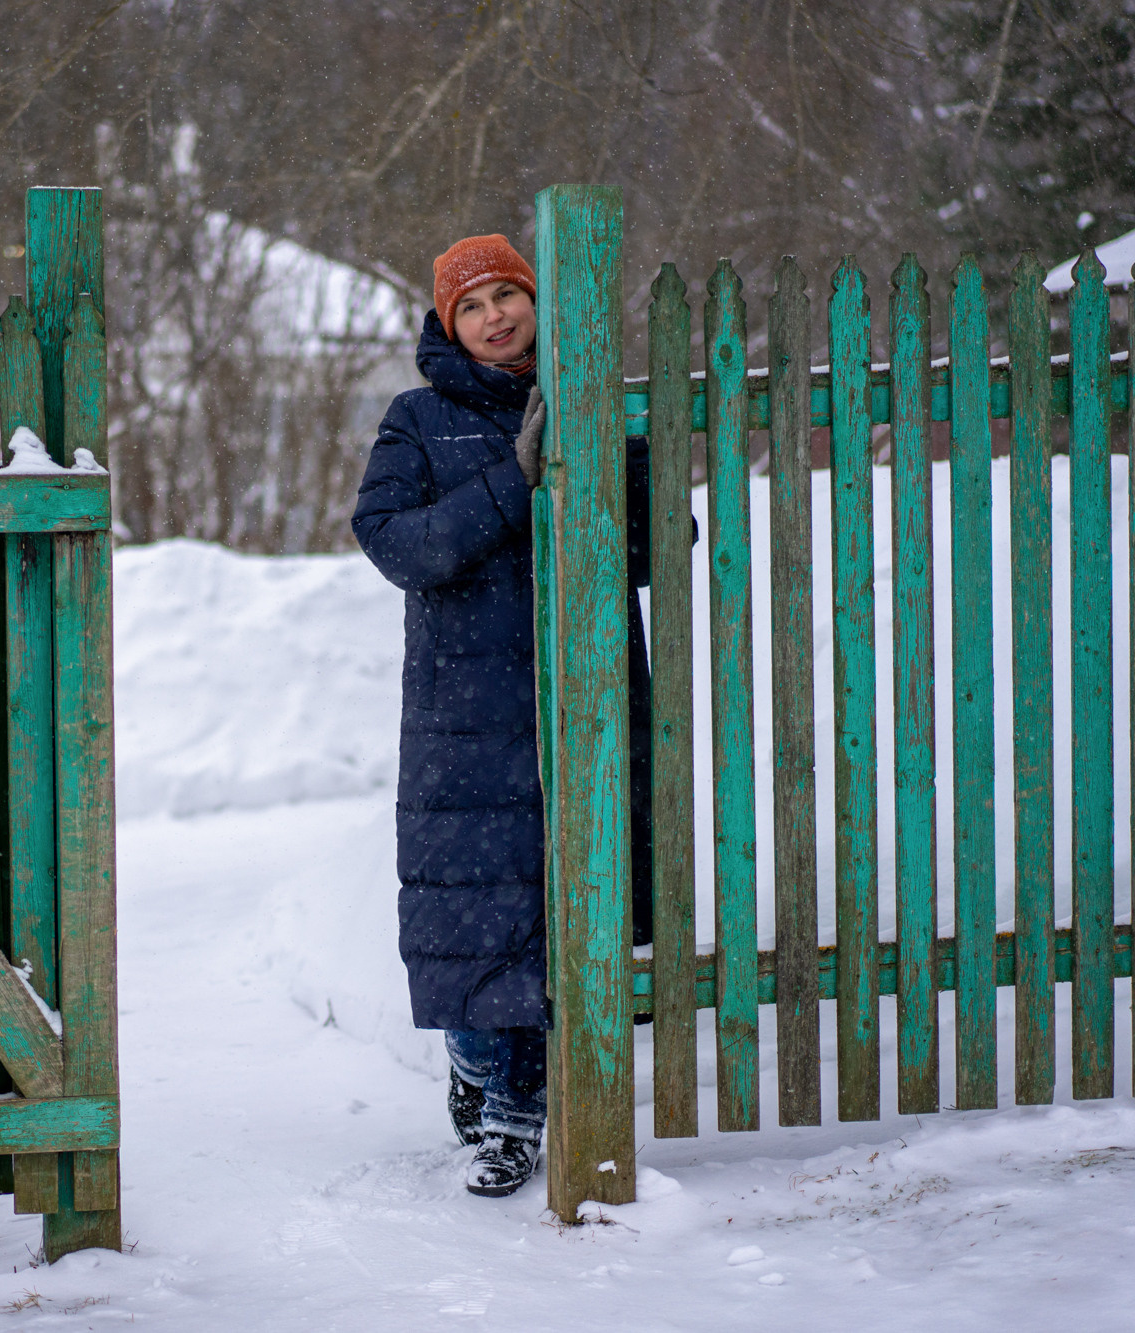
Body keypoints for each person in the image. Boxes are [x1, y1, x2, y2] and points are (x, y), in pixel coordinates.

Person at [351, 234, 656, 1199]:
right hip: (467, 716)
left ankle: (518, 1115)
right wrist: (512, 482)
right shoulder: (417, 418)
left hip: (586, 701)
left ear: (535, 300)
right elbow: (400, 544)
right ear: (448, 322)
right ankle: (480, 1073)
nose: (494, 315)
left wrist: (608, 469)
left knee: (564, 905)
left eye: (507, 294)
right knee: (473, 913)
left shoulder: (591, 404)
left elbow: (658, 543)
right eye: (471, 304)